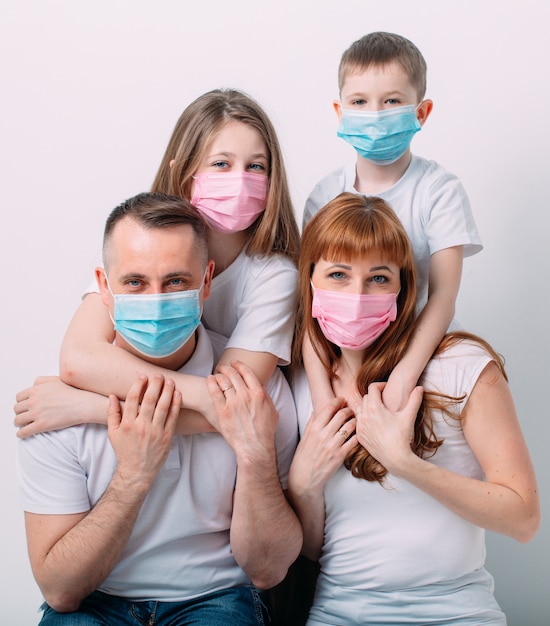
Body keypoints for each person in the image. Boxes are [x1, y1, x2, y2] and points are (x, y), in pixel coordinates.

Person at [17, 192, 302, 625]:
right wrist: (134, 475)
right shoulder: (53, 408)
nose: (156, 300)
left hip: (215, 597)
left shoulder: (256, 391)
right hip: (96, 600)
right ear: (104, 287)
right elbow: (59, 590)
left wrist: (255, 454)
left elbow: (267, 570)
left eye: (175, 281)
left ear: (207, 281)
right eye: (135, 283)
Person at [287, 192, 540, 625]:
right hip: (340, 611)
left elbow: (523, 519)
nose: (358, 294)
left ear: (403, 287)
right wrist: (303, 487)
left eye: (379, 278)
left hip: (458, 611)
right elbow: (314, 550)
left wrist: (406, 463)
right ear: (310, 281)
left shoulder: (460, 364)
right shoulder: (297, 387)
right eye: (338, 275)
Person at [14, 88, 300, 437]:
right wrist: (198, 393)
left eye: (256, 166)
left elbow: (229, 409)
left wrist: (92, 408)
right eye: (221, 164)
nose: (239, 181)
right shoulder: (141, 244)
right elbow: (78, 359)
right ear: (183, 173)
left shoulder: (274, 276)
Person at [301, 31, 483, 417]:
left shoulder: (440, 191)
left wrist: (403, 377)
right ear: (340, 111)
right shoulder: (324, 194)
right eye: (360, 102)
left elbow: (443, 298)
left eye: (392, 101)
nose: (375, 115)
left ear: (421, 112)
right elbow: (308, 298)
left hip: (412, 355)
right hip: (343, 356)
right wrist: (320, 394)